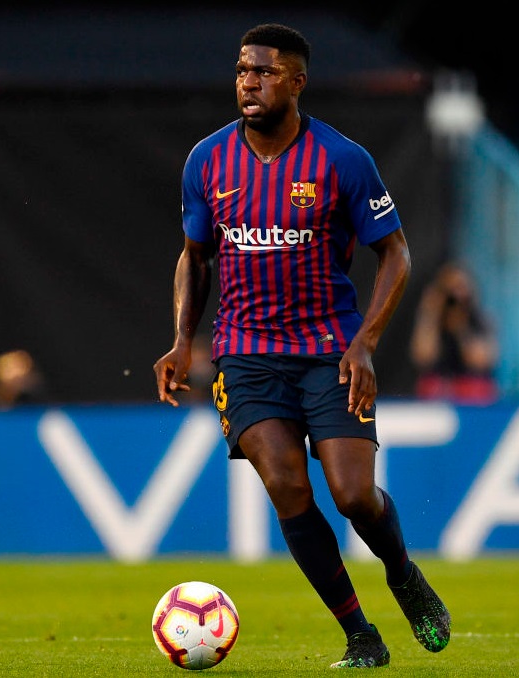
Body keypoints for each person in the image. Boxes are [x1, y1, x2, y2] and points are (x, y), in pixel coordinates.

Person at [153, 23, 450, 669]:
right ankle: (360, 635)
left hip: (328, 350)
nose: (248, 82)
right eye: (241, 70)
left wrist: (365, 343)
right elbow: (195, 256)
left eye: (263, 72)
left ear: (296, 81)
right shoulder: (207, 159)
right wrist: (180, 341)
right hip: (245, 353)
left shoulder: (342, 160)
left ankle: (402, 572)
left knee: (353, 496)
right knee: (288, 488)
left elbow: (395, 253)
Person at [409, 261, 499, 403]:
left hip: (472, 395)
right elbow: (423, 357)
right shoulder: (433, 322)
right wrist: (430, 314)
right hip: (437, 395)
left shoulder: (481, 321)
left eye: (461, 288)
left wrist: (461, 328)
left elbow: (481, 361)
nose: (455, 297)